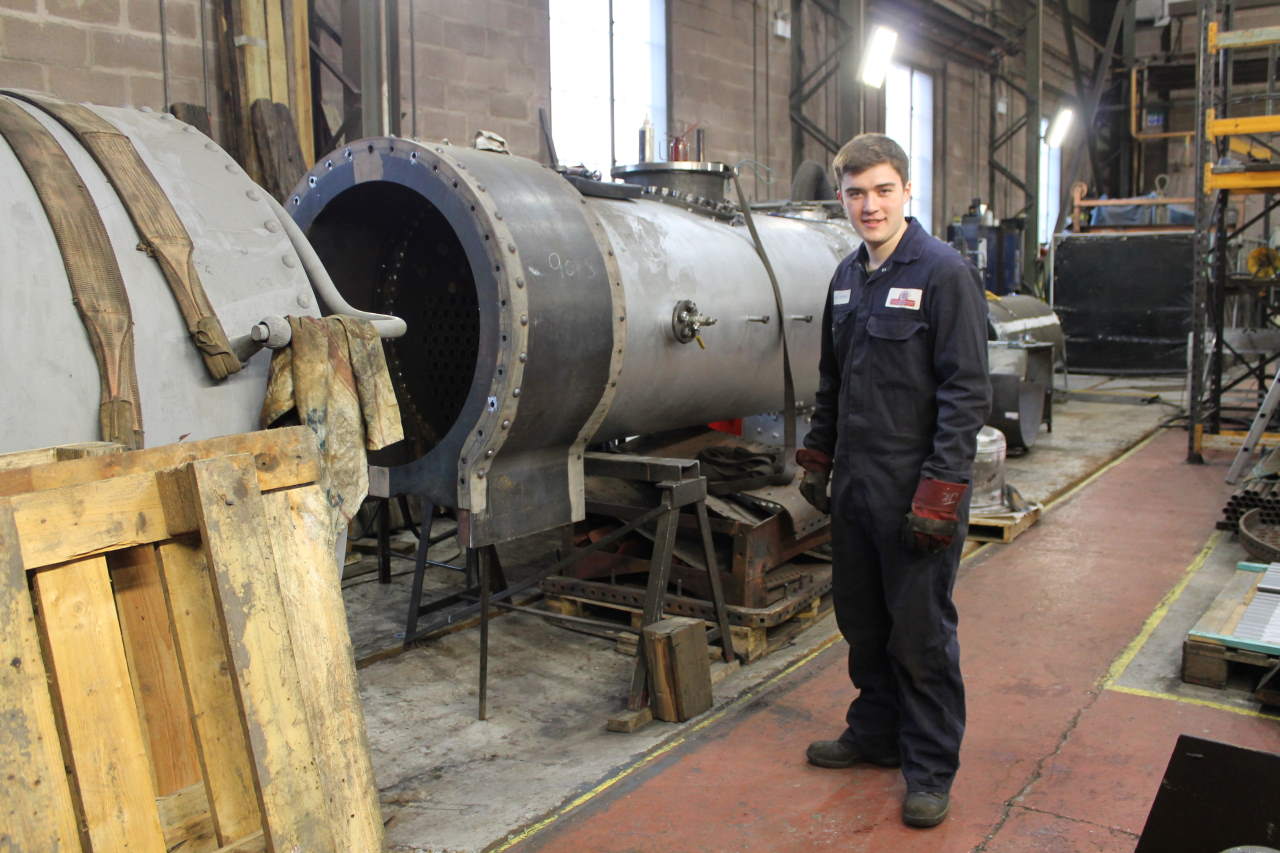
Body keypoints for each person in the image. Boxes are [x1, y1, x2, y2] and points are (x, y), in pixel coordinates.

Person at [795, 133, 991, 828]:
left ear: (907, 190)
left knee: (920, 635)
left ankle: (930, 766)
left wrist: (941, 494)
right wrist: (819, 458)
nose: (868, 204)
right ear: (841, 198)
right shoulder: (847, 277)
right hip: (857, 489)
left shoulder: (943, 273)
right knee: (863, 624)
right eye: (854, 192)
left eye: (881, 189)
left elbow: (966, 392)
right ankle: (875, 731)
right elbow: (831, 379)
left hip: (916, 494)